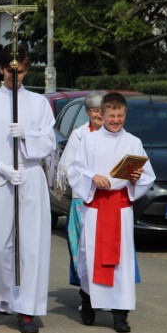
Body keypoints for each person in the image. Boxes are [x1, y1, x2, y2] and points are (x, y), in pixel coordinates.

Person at [0, 44, 55, 333]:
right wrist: (1, 169)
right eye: (11, 71)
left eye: (22, 71)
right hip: (0, 180)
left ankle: (26, 308)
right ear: (2, 69)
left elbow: (49, 142)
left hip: (29, 179)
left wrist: (27, 136)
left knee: (30, 247)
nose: (16, 77)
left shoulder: (39, 103)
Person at [67, 93, 155, 333]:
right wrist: (92, 177)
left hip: (120, 207)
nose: (116, 120)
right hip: (96, 207)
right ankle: (88, 301)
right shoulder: (90, 140)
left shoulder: (133, 142)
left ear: (125, 114)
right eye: (111, 115)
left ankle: (120, 314)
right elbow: (75, 170)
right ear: (101, 115)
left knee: (121, 262)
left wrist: (137, 177)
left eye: (120, 115)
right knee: (91, 256)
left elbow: (147, 175)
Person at [55, 91, 107, 286]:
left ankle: (104, 289)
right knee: (84, 248)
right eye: (94, 111)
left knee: (104, 248)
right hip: (83, 200)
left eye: (102, 110)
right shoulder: (80, 134)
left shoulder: (115, 134)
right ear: (87, 112)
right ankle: (86, 291)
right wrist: (92, 177)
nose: (99, 114)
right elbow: (68, 167)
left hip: (108, 201)